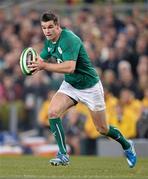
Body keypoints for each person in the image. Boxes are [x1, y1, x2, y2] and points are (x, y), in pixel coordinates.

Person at [28, 12, 137, 167]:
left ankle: (127, 145)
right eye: (44, 28)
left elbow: (70, 67)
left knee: (102, 128)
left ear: (58, 26)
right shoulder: (49, 42)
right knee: (52, 112)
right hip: (71, 85)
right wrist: (32, 66)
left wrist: (44, 66)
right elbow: (41, 60)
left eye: (50, 27)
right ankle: (63, 154)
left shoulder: (69, 39)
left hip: (90, 87)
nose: (47, 31)